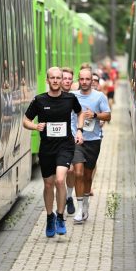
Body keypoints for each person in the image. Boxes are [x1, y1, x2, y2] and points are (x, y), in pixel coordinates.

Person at [23, 67, 84, 237]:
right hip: (47, 148)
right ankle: (49, 217)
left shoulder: (70, 99)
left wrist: (79, 130)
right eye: (53, 78)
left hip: (65, 146)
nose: (56, 80)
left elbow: (80, 113)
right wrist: (35, 126)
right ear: (47, 80)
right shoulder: (39, 100)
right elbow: (25, 120)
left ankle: (60, 217)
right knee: (48, 184)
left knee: (59, 180)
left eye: (59, 78)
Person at [71, 68, 111, 223]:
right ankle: (79, 208)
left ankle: (85, 204)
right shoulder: (72, 97)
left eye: (87, 79)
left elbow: (108, 115)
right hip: (77, 139)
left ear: (92, 80)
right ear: (79, 80)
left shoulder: (99, 97)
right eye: (82, 79)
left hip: (93, 140)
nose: (85, 82)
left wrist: (94, 115)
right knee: (78, 173)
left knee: (88, 176)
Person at [61, 67, 75, 214]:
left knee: (70, 171)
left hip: (71, 140)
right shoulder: (50, 97)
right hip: (55, 142)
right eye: (64, 78)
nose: (66, 81)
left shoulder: (75, 97)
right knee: (58, 176)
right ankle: (61, 198)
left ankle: (69, 197)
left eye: (69, 79)